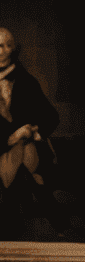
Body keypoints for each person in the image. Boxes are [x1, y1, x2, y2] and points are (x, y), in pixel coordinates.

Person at [0, 26, 62, 240]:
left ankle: (57, 228)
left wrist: (31, 131)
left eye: (8, 45)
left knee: (25, 155)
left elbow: (51, 118)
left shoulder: (26, 82)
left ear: (13, 50)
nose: (2, 51)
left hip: (25, 149)